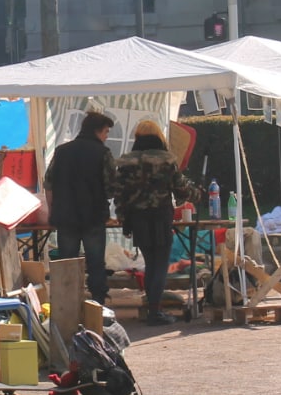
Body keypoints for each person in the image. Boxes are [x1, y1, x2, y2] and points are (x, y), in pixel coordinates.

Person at [112, 119, 202, 325]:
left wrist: (123, 219)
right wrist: (197, 194)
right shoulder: (166, 161)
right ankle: (154, 311)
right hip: (160, 217)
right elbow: (181, 189)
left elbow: (119, 195)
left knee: (151, 263)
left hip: (137, 220)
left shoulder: (126, 163)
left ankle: (153, 308)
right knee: (160, 265)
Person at [44, 110, 116, 304]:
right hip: (93, 216)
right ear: (97, 131)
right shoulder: (103, 153)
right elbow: (111, 187)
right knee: (95, 262)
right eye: (106, 132)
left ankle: (66, 302)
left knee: (67, 262)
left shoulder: (61, 151)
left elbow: (48, 183)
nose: (106, 137)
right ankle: (98, 303)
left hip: (65, 216)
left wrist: (52, 211)